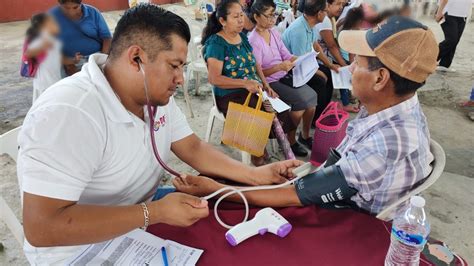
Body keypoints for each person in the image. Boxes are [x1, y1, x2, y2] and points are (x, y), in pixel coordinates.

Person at [18, 5, 302, 264]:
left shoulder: (151, 95)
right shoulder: (69, 113)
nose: (180, 79)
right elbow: (43, 227)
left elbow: (191, 147)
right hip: (78, 252)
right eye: (174, 66)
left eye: (183, 67)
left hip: (138, 224)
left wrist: (255, 175)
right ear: (136, 58)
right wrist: (153, 213)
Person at [174, 16, 438, 218]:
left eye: (357, 62)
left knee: (228, 208)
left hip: (348, 221)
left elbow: (294, 196)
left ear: (380, 79)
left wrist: (215, 190)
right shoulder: (395, 106)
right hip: (339, 192)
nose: (350, 67)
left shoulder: (386, 143)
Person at [201, 0, 298, 165]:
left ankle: (267, 146)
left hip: (254, 88)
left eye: (241, 15)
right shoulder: (216, 44)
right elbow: (214, 79)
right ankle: (257, 153)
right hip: (230, 93)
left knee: (277, 108)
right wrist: (244, 83)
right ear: (222, 21)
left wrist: (266, 86)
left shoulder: (242, 38)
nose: (241, 21)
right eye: (235, 17)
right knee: (258, 113)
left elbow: (255, 65)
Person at [248, 0, 318, 157]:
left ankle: (304, 136)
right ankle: (290, 141)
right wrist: (279, 67)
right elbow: (258, 73)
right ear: (256, 17)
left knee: (312, 99)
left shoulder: (273, 33)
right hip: (271, 82)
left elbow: (285, 55)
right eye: (269, 16)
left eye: (274, 14)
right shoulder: (253, 40)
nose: (273, 19)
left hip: (284, 76)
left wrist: (301, 59)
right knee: (301, 104)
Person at [282, 0, 338, 145]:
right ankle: (306, 128)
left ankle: (314, 123)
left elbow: (315, 45)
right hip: (290, 72)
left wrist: (329, 65)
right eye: (325, 11)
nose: (326, 14)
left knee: (328, 76)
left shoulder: (310, 24)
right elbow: (298, 64)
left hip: (303, 66)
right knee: (321, 81)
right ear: (319, 13)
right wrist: (321, 72)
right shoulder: (299, 30)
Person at [315, 0, 359, 113]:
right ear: (328, 5)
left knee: (342, 67)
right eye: (338, 4)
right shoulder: (325, 20)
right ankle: (325, 109)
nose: (341, 7)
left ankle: (342, 102)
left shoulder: (332, 19)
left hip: (325, 55)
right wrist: (345, 66)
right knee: (339, 70)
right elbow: (332, 46)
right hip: (318, 58)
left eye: (343, 5)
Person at [50, 0, 112, 76]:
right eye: (66, 8)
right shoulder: (52, 16)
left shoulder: (93, 12)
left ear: (81, 4)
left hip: (97, 56)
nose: (71, 12)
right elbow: (51, 47)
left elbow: (107, 37)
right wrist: (69, 64)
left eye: (75, 7)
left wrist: (102, 60)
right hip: (71, 61)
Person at [23, 13, 71, 102]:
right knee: (45, 103)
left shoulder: (51, 38)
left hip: (52, 80)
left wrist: (74, 61)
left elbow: (58, 59)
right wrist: (42, 46)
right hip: (45, 82)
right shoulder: (40, 38)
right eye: (52, 22)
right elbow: (28, 54)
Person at [435, 0, 472, 73]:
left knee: (455, 41)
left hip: (463, 17)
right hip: (448, 14)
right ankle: (429, 59)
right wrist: (439, 12)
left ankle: (444, 65)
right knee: (451, 40)